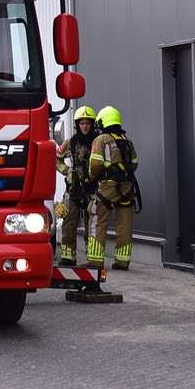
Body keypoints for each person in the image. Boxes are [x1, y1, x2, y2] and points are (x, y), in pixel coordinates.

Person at [86, 105, 140, 270]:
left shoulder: (101, 140)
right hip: (127, 188)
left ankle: (95, 261)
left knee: (97, 219)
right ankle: (122, 261)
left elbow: (95, 165)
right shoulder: (127, 140)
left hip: (107, 188)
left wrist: (92, 178)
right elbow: (135, 163)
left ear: (103, 122)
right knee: (125, 224)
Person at [54, 106, 98, 264]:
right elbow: (56, 158)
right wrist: (67, 171)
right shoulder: (70, 142)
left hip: (93, 190)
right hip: (73, 189)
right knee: (69, 222)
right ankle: (68, 257)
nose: (85, 126)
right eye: (82, 123)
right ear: (77, 125)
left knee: (92, 225)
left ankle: (93, 258)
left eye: (88, 123)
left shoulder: (98, 142)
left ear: (92, 124)